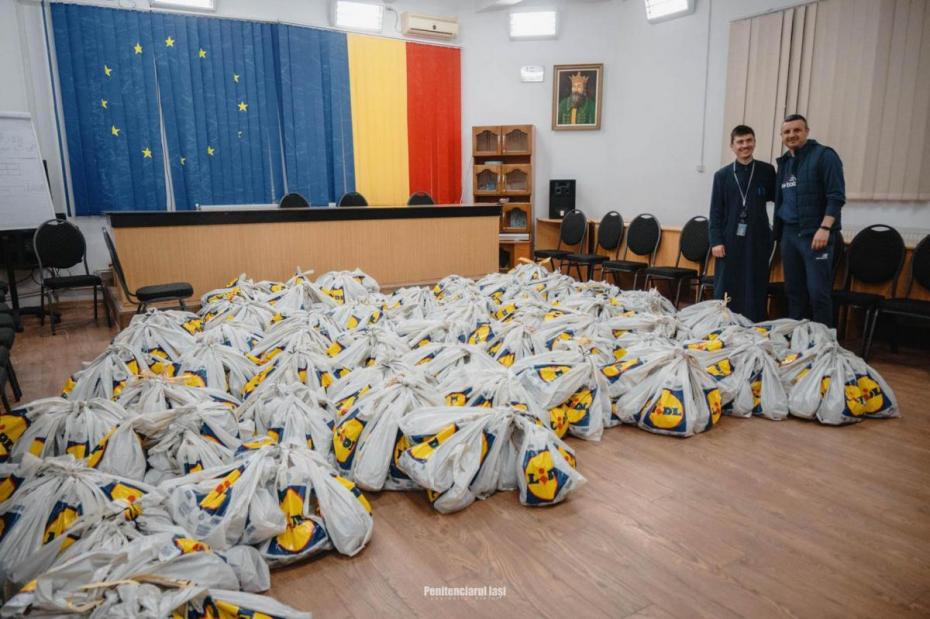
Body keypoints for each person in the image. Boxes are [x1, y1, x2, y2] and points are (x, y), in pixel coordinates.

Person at [774, 114, 846, 327]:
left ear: (806, 131)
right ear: (781, 136)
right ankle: (798, 336)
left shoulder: (824, 156)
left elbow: (836, 196)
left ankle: (824, 340)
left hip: (815, 234)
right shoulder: (784, 162)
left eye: (797, 130)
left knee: (818, 292)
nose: (792, 135)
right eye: (787, 132)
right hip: (789, 234)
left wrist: (825, 228)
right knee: (793, 291)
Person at [708, 125, 776, 322]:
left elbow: (780, 201)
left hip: (758, 238)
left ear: (754, 142)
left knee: (755, 283)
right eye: (740, 142)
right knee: (727, 284)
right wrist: (716, 241)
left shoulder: (767, 171)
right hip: (729, 238)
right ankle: (724, 324)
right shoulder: (722, 175)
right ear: (732, 146)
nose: (745, 145)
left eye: (749, 140)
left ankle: (754, 324)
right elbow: (715, 211)